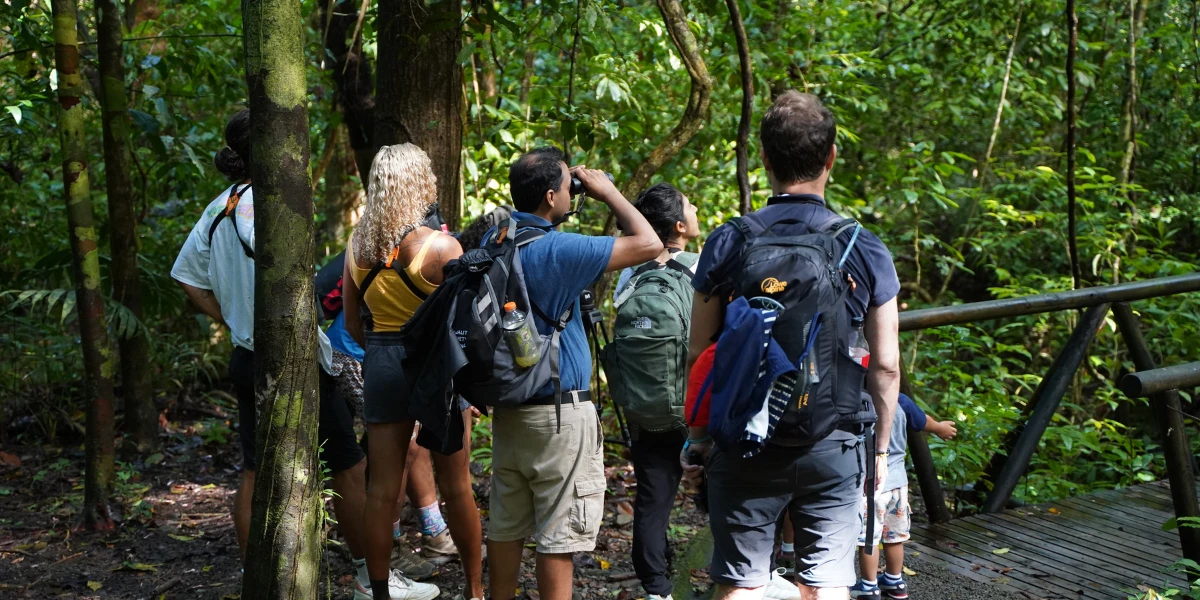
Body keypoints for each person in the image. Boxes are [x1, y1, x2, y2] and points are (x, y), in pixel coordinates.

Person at [684, 91, 902, 600]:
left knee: (740, 581)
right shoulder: (861, 245)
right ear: (830, 158)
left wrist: (697, 436)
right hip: (835, 439)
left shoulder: (728, 240)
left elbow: (699, 353)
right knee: (826, 584)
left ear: (764, 159)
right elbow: (886, 365)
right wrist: (881, 452)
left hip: (743, 438)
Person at [170, 110, 370, 587]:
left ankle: (253, 575)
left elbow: (186, 278)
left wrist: (230, 317)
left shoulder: (217, 208)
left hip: (247, 355)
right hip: (293, 356)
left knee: (254, 468)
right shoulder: (271, 204)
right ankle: (370, 577)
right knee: (348, 464)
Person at [486, 147, 662, 600]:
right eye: (569, 186)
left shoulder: (492, 244)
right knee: (558, 535)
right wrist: (608, 193)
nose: (574, 192)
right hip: (560, 418)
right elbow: (649, 243)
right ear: (550, 196)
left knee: (506, 526)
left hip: (508, 412)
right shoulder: (561, 249)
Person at [342, 143, 482, 600]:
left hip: (382, 360)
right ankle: (477, 590)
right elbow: (466, 326)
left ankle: (378, 592)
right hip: (437, 366)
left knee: (382, 489)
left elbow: (351, 323)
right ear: (420, 183)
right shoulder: (442, 247)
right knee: (456, 485)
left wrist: (384, 350)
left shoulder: (358, 247)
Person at [606, 183, 700, 600]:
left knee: (652, 498)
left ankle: (657, 588)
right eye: (690, 205)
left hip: (644, 408)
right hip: (695, 408)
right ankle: (736, 576)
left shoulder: (630, 273)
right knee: (723, 492)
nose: (695, 208)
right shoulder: (703, 267)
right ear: (680, 225)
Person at [851, 393, 957, 600]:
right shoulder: (899, 399)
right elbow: (921, 420)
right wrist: (939, 428)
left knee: (869, 540)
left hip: (872, 484)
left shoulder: (854, 398)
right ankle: (894, 580)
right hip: (898, 483)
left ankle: (869, 586)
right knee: (894, 537)